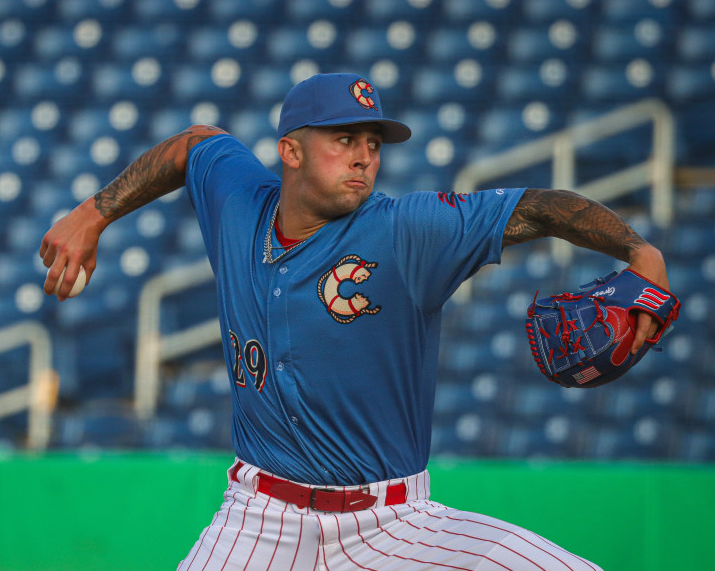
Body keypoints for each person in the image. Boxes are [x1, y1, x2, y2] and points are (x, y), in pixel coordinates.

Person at [39, 73, 670, 570]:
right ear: (290, 151)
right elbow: (194, 144)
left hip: (394, 525)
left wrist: (641, 254)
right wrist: (94, 213)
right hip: (258, 519)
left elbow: (539, 207)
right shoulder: (236, 202)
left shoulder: (407, 231)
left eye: (373, 144)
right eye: (344, 140)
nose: (364, 157)